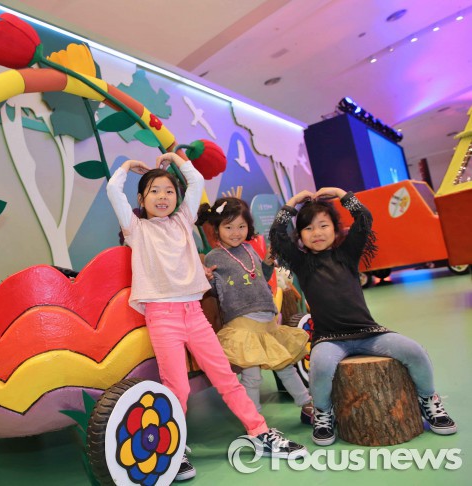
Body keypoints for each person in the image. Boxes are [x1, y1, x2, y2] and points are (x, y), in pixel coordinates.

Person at [106, 152, 307, 481]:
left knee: (226, 378)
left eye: (169, 191)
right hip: (162, 316)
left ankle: (259, 432)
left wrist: (176, 158)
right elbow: (114, 191)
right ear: (141, 200)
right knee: (177, 388)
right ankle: (174, 448)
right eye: (154, 191)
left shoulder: (183, 221)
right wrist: (128, 167)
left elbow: (196, 180)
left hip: (194, 313)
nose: (163, 197)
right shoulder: (136, 229)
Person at [269, 187, 457, 446]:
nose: (317, 233)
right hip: (329, 339)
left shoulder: (347, 254)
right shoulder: (302, 263)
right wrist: (291, 203)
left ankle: (428, 401)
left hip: (369, 333)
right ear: (300, 235)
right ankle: (323, 414)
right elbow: (277, 234)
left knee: (414, 351)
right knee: (320, 367)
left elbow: (364, 219)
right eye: (308, 228)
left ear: (335, 229)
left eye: (323, 225)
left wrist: (340, 193)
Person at [199, 197, 313, 423]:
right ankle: (254, 421)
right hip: (243, 326)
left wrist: (267, 264)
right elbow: (214, 292)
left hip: (268, 323)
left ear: (249, 227)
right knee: (252, 377)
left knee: (285, 367)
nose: (235, 233)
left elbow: (260, 277)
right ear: (217, 228)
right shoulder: (214, 257)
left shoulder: (249, 249)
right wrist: (207, 279)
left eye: (241, 226)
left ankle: (307, 404)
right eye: (228, 227)